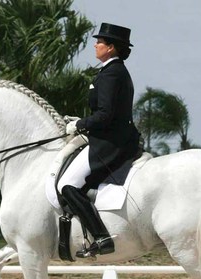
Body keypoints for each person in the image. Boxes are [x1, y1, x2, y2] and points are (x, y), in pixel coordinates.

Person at [58, 22, 140, 258]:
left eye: (100, 42)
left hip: (110, 143)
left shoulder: (112, 74)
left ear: (111, 47)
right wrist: (83, 120)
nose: (96, 45)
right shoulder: (112, 71)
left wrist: (80, 124)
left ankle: (101, 237)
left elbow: (106, 114)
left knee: (68, 185)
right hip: (114, 137)